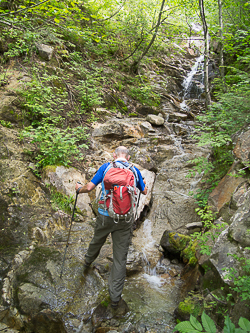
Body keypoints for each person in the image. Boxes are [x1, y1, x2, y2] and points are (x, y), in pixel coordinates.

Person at [75, 146, 147, 308]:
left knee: (97, 240)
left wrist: (78, 189)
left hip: (105, 215)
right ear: (128, 157)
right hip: (125, 219)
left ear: (114, 155)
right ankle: (115, 299)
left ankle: (87, 262)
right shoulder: (134, 170)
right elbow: (144, 191)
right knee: (120, 258)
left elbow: (89, 188)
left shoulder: (106, 167)